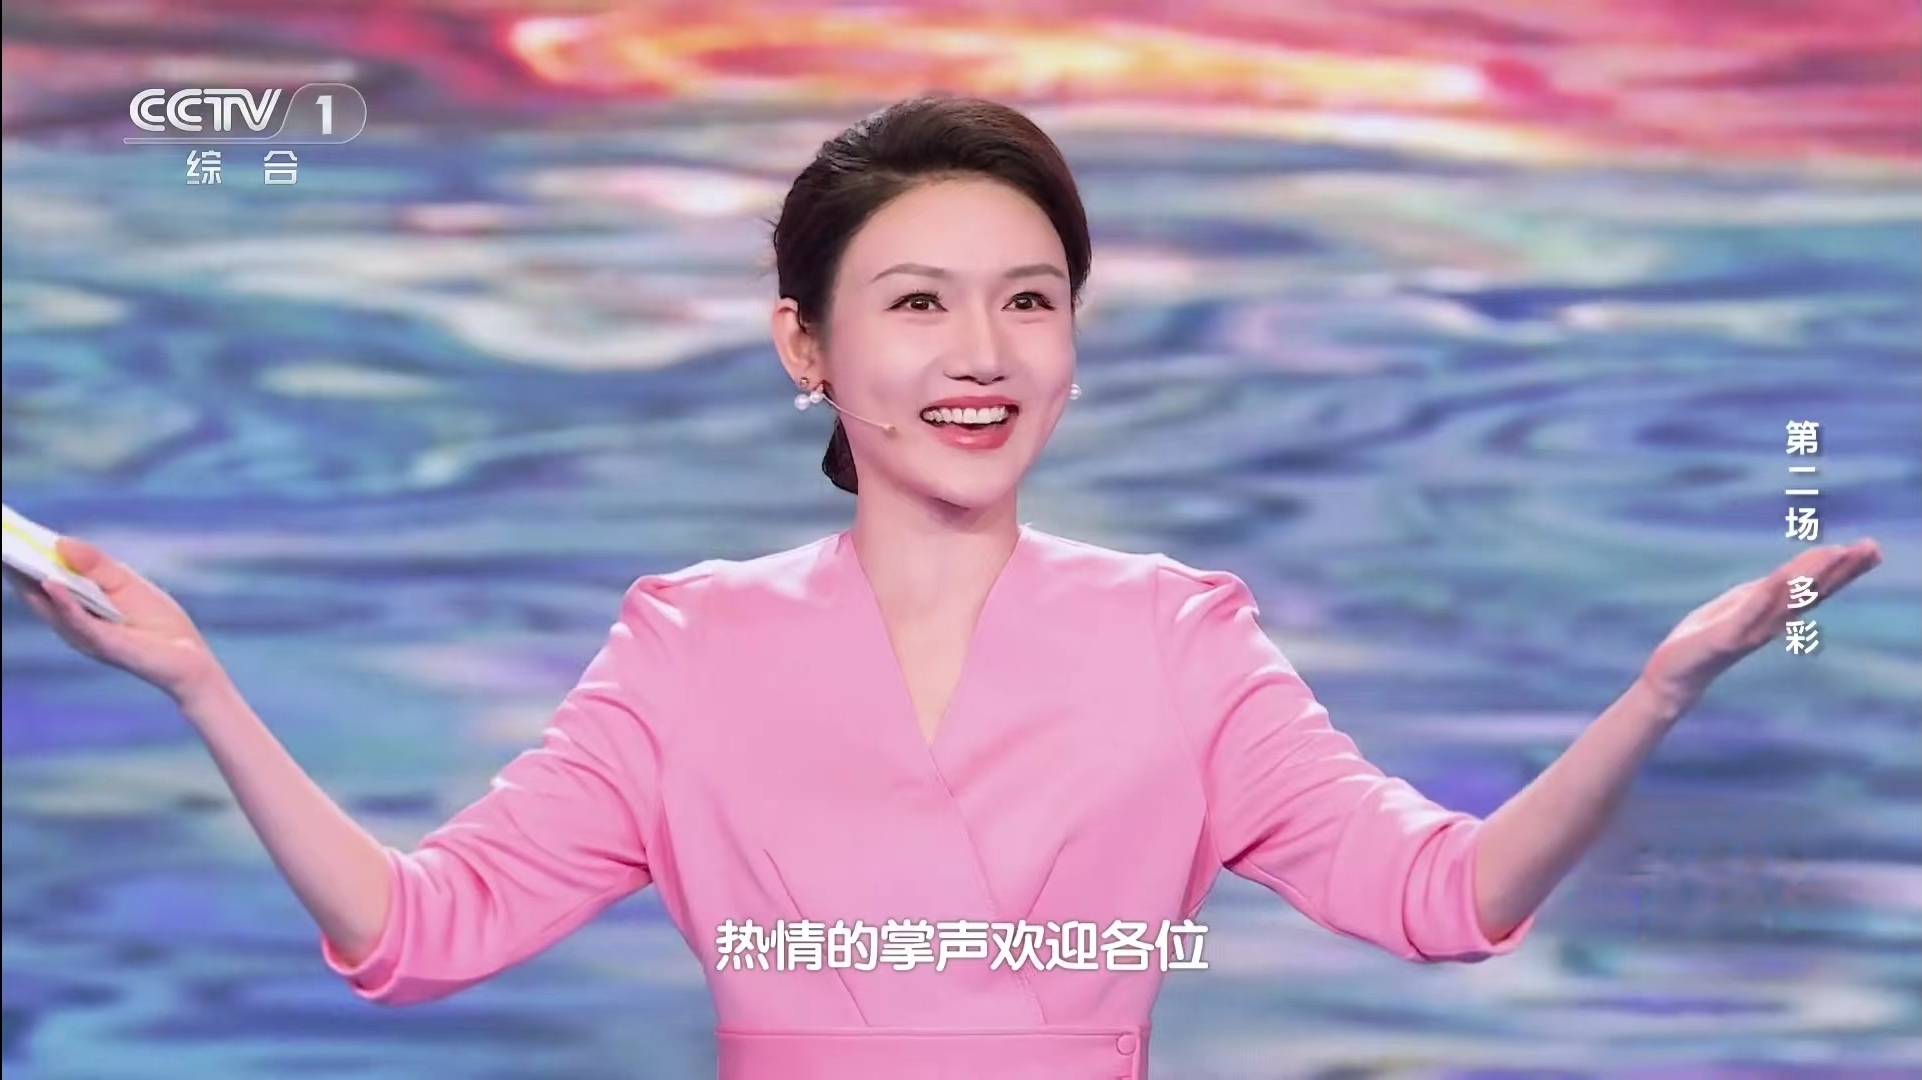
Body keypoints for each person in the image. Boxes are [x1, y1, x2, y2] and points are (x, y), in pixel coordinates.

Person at [4, 95, 1884, 1079]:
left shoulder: (1182, 637)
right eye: (916, 301)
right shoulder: (685, 646)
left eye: (1027, 300)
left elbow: (1441, 899)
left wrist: (1657, 694)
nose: (980, 351)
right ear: (805, 346)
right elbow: (421, 933)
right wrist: (201, 687)